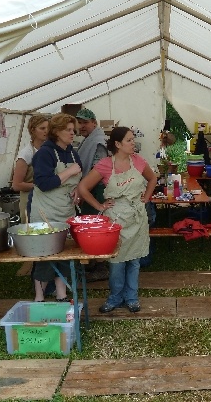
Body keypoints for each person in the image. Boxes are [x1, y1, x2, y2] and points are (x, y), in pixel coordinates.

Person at [78, 126, 157, 313]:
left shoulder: (138, 161)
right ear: (117, 144)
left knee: (134, 260)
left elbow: (152, 178)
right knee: (116, 261)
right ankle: (115, 297)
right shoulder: (105, 165)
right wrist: (99, 206)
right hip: (116, 219)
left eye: (133, 139)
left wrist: (146, 198)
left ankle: (132, 298)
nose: (133, 143)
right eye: (129, 140)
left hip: (137, 217)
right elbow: (83, 187)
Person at [30, 113, 83, 302]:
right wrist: (69, 172)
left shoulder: (71, 152)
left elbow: (79, 175)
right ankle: (39, 297)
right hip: (46, 213)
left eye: (73, 130)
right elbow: (44, 183)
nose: (72, 133)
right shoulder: (44, 153)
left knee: (64, 254)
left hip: (65, 211)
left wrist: (77, 188)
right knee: (45, 257)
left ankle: (61, 294)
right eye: (68, 130)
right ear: (57, 131)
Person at [12, 115, 49, 223]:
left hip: (46, 200)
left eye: (48, 128)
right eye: (42, 128)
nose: (46, 131)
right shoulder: (26, 154)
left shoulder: (48, 151)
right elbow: (16, 185)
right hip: (30, 201)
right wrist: (42, 185)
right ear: (33, 130)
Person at [75, 108, 108, 215]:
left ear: (94, 123)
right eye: (79, 123)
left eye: (85, 122)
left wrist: (83, 192)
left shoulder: (99, 143)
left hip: (95, 191)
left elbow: (98, 172)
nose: (82, 126)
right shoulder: (88, 139)